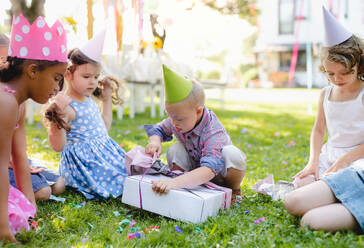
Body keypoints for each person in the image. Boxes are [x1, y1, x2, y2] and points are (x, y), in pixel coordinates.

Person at [285, 7, 364, 233]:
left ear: (358, 65)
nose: (337, 79)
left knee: (313, 206)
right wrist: (313, 162)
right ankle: (336, 200)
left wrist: (344, 161)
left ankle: (341, 204)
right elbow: (319, 130)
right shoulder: (326, 94)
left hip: (358, 158)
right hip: (333, 155)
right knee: (300, 187)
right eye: (331, 74)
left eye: (344, 73)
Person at [0, 14, 68, 242]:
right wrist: (3, 230)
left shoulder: (15, 103)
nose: (58, 89)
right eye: (56, 78)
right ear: (32, 71)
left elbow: (20, 157)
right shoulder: (5, 102)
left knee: (21, 213)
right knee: (10, 218)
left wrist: (31, 209)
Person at [43, 29, 127, 199]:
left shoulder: (87, 100)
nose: (93, 82)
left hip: (102, 156)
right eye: (86, 76)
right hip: (85, 164)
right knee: (122, 178)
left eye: (96, 77)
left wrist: (106, 99)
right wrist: (56, 116)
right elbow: (58, 146)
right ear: (68, 75)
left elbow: (104, 128)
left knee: (130, 168)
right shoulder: (67, 105)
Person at [144, 64, 246, 205]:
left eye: (179, 118)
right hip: (193, 172)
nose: (173, 123)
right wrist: (155, 141)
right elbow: (158, 129)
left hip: (218, 173)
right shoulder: (177, 119)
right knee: (175, 149)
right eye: (169, 116)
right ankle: (181, 188)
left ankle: (234, 190)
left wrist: (174, 183)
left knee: (232, 154)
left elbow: (209, 170)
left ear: (198, 111)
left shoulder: (213, 131)